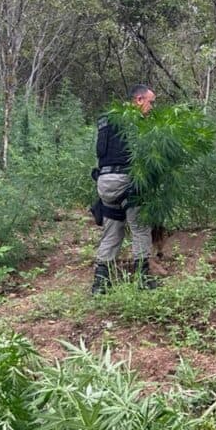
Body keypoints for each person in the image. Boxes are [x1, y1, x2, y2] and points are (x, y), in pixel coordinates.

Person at [90, 84, 157, 294]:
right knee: (140, 228)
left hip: (105, 182)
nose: (152, 107)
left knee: (112, 230)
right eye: (150, 102)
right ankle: (143, 279)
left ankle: (100, 284)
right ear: (138, 100)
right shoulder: (135, 122)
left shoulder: (107, 121)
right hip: (127, 180)